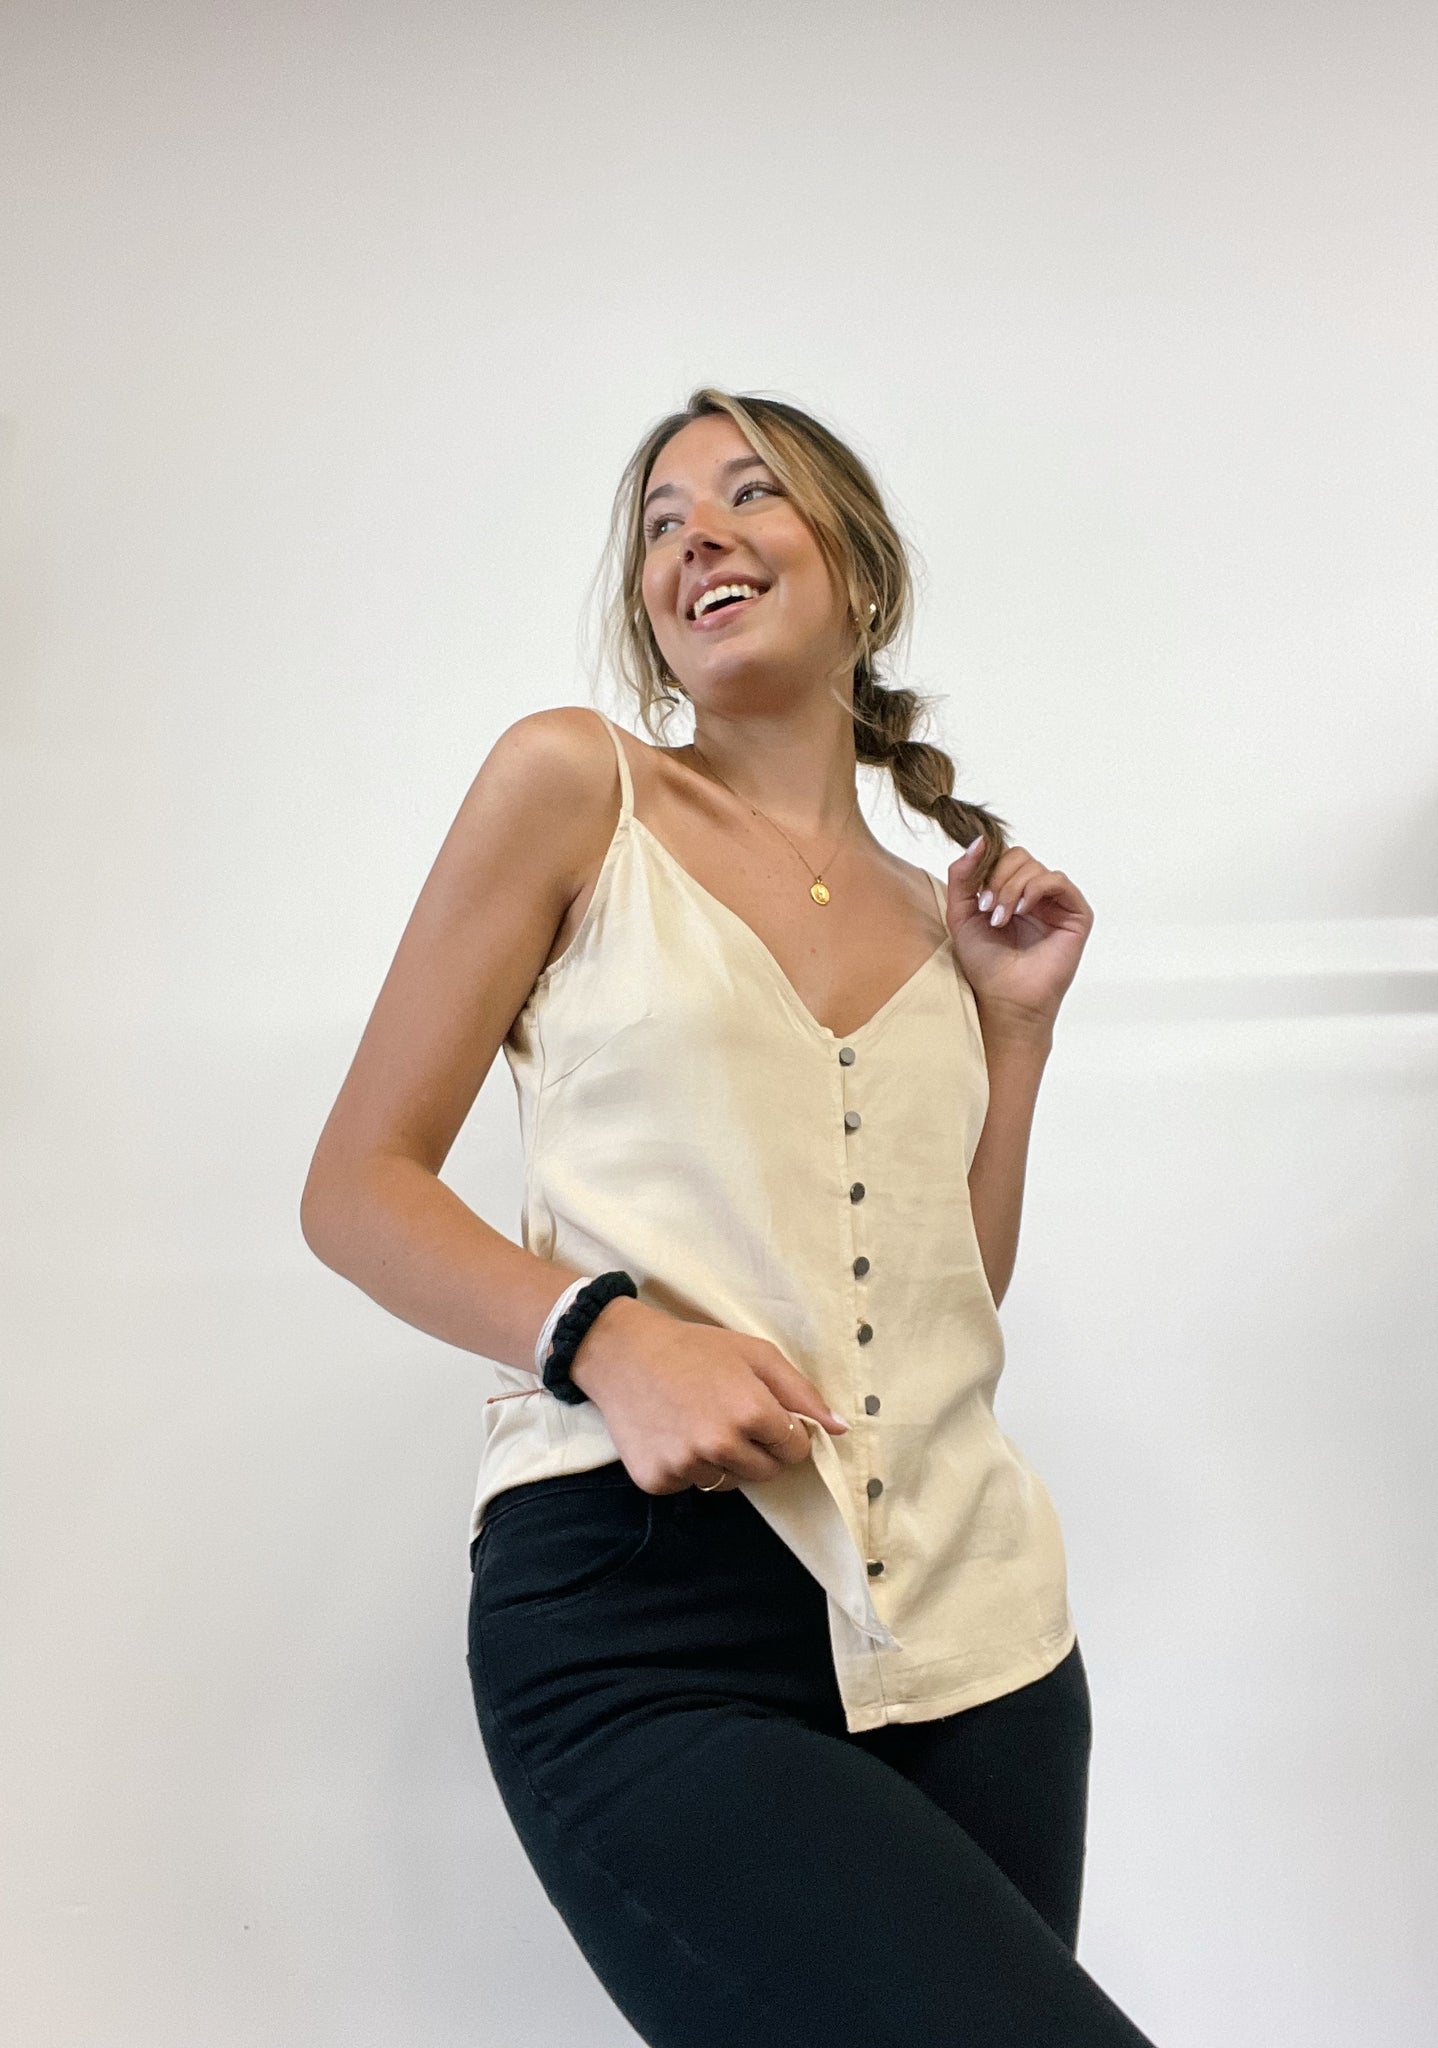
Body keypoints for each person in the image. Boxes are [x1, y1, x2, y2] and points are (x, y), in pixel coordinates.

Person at [300, 387, 1161, 2046]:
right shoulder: (577, 788)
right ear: (649, 608)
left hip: (980, 1640)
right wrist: (607, 1339)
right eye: (660, 520)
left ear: (861, 573)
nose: (697, 534)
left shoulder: (943, 920)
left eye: (749, 493)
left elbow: (947, 1291)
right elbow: (356, 1188)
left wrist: (1014, 1030)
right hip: (646, 1619)